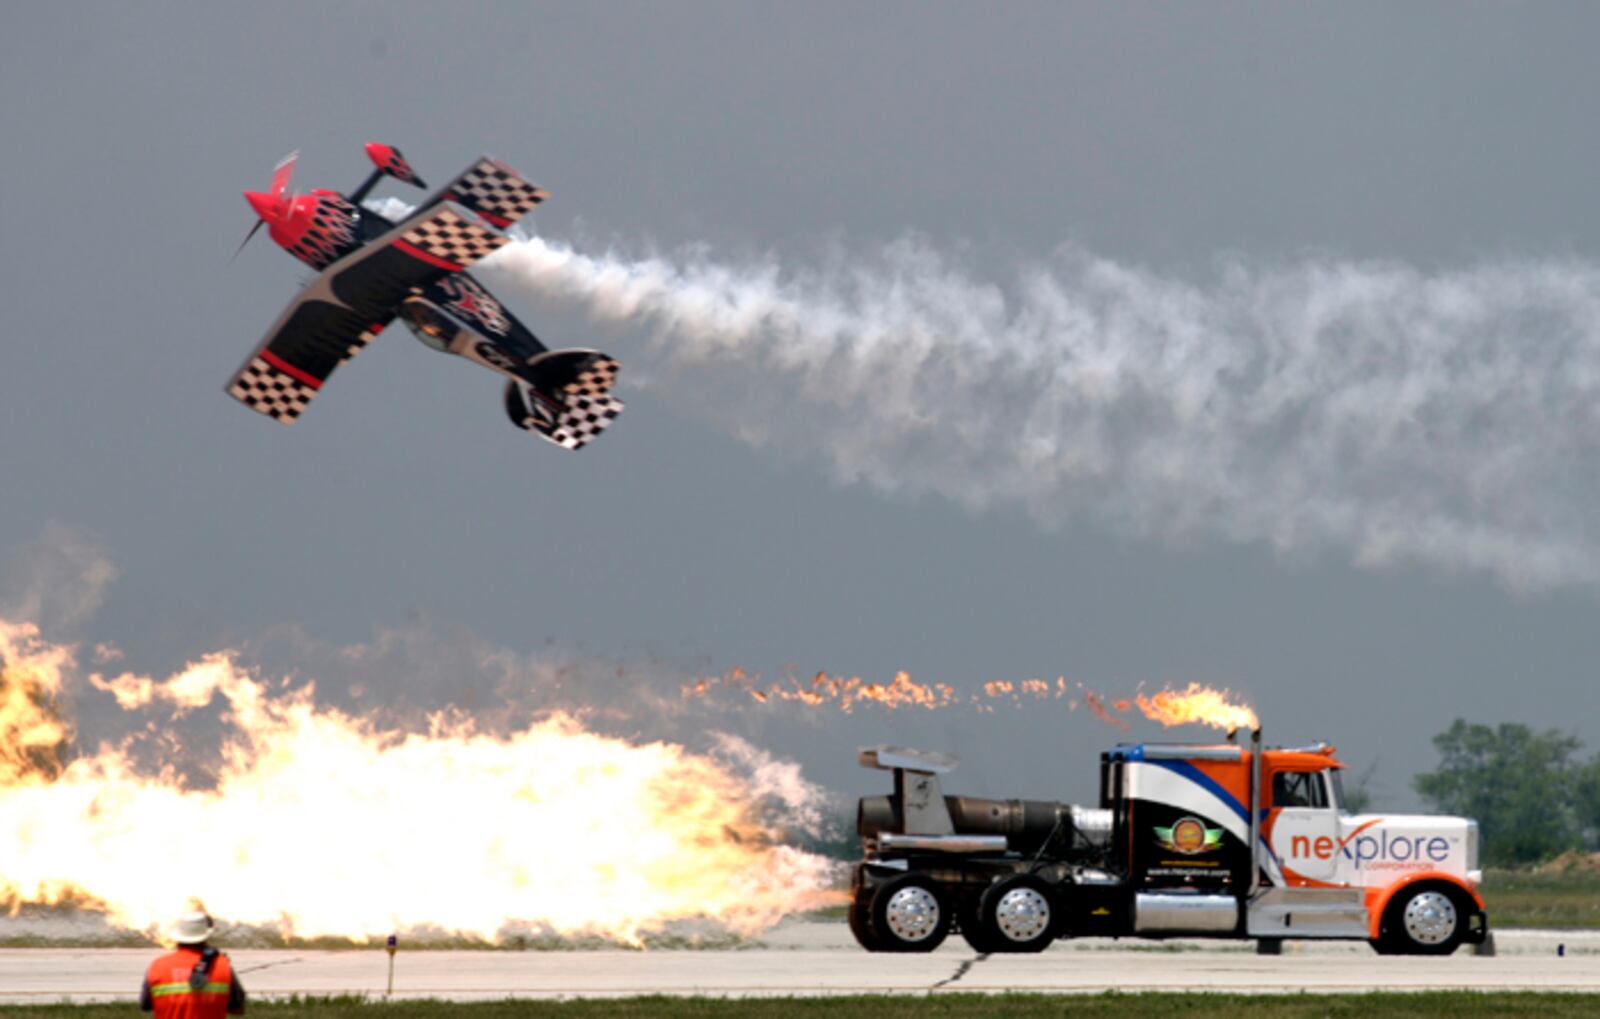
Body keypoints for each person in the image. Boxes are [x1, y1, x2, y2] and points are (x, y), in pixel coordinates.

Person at [139, 906, 246, 1017]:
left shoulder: (157, 966)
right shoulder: (223, 966)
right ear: (205, 936)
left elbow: (145, 1005)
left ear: (178, 936)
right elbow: (238, 1009)